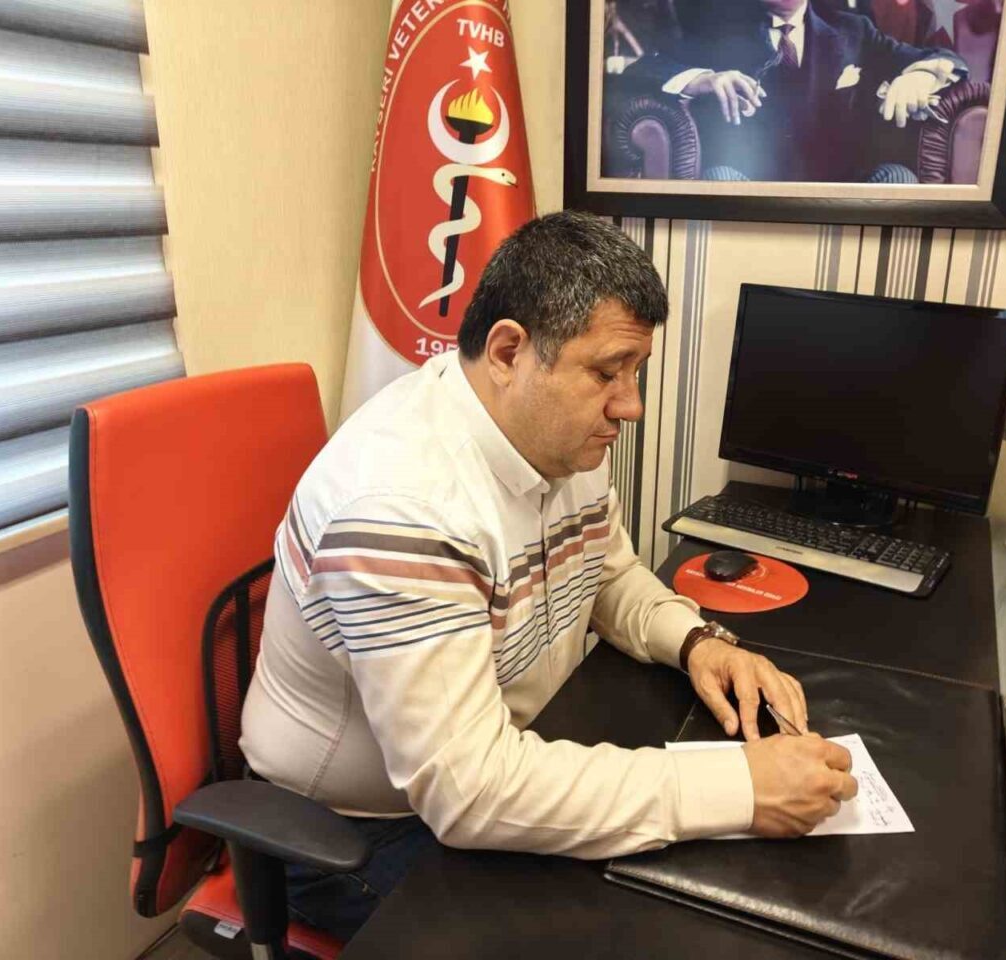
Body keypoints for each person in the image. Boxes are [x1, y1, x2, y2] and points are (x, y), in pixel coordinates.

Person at [240, 211, 858, 941]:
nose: (631, 405)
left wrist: (698, 643)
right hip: (353, 831)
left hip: (493, 758)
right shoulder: (401, 507)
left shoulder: (555, 440)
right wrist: (743, 788)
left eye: (635, 371)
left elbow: (608, 575)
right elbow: (470, 793)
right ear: (509, 351)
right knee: (633, 933)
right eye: (607, 371)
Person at [623, 0, 967, 181]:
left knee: (897, 178)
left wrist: (919, 76)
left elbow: (945, 59)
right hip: (749, 186)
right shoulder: (718, 34)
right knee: (720, 179)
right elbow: (643, 68)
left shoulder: (854, 31)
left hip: (841, 190)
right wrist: (703, 78)